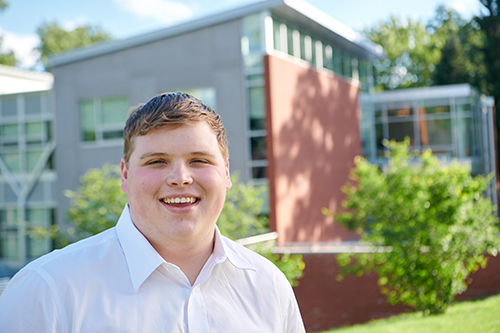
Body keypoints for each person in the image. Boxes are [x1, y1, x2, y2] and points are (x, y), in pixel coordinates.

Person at [0, 92, 305, 332]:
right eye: (157, 161)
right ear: (125, 175)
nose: (180, 177)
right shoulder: (46, 290)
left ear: (226, 173)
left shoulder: (268, 285)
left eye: (199, 160)